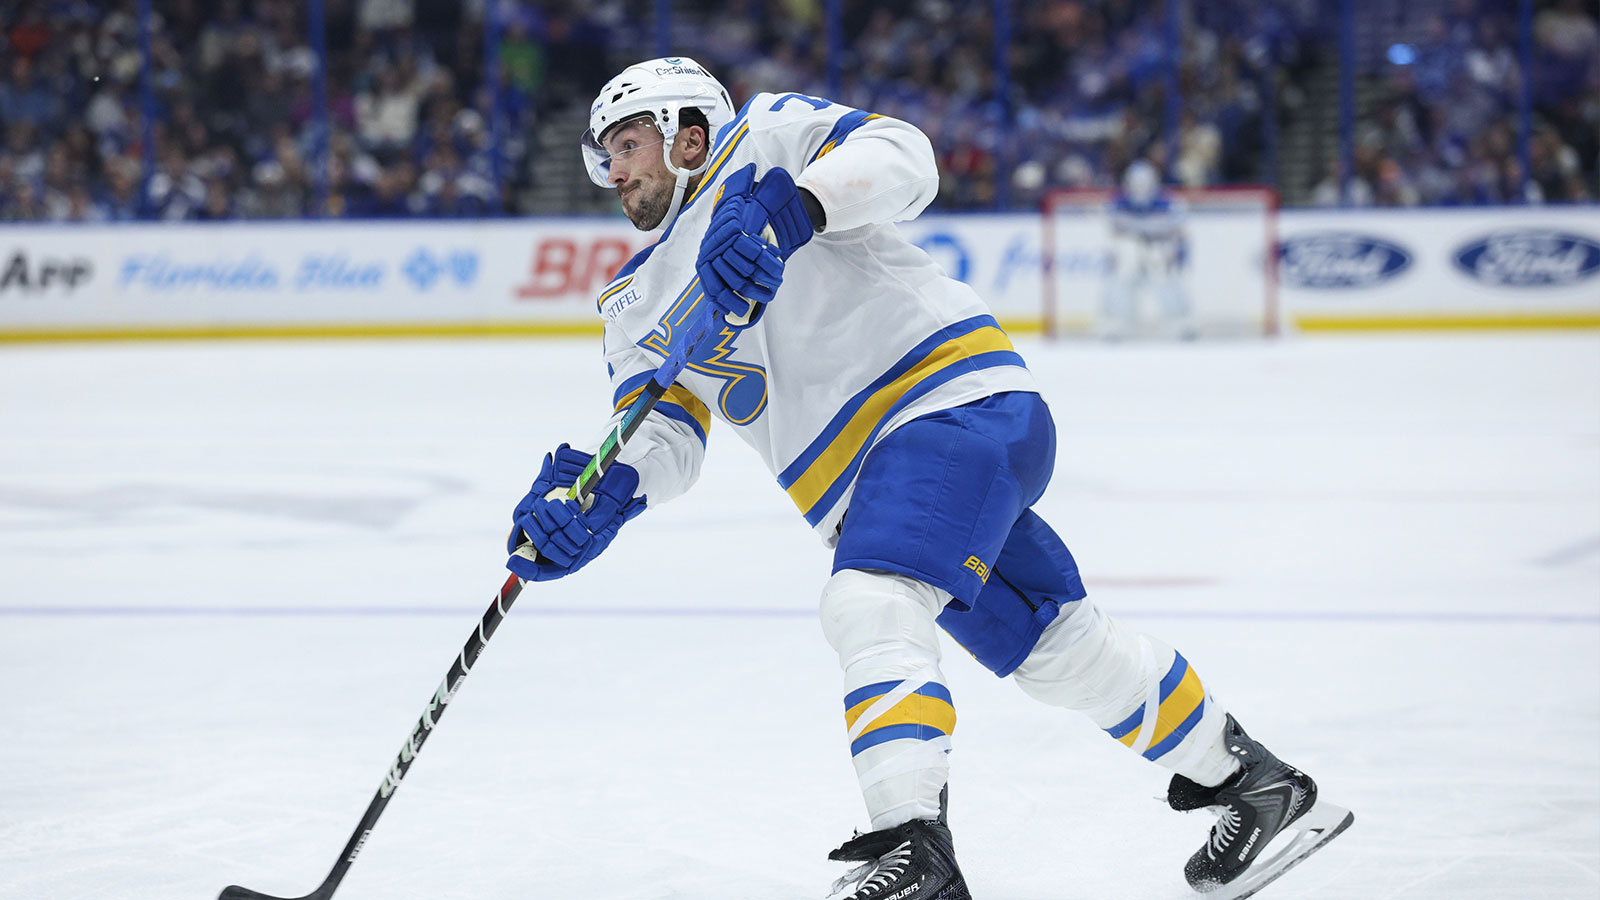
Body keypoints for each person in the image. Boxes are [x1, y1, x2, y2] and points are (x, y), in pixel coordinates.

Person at [505, 57, 1353, 900]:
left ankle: (915, 852)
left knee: (870, 601)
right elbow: (665, 434)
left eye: (625, 143)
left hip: (948, 404)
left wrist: (793, 208)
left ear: (688, 130)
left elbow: (908, 157)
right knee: (1061, 649)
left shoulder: (767, 138)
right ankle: (1261, 789)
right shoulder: (632, 301)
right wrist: (604, 495)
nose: (612, 170)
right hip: (885, 486)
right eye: (603, 155)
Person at [1100, 159, 1195, 341]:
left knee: (1166, 280)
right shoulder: (1118, 201)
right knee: (1122, 277)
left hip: (1158, 249)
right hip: (1131, 249)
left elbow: (1178, 227)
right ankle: (1116, 324)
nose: (1140, 189)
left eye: (1144, 185)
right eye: (1136, 185)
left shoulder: (1167, 202)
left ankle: (1182, 323)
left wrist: (1141, 229)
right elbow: (1111, 227)